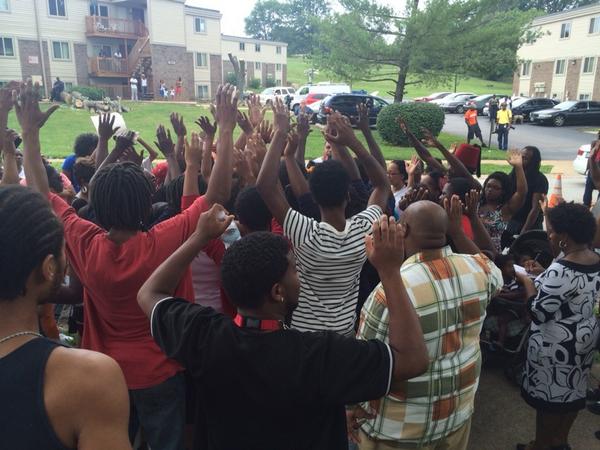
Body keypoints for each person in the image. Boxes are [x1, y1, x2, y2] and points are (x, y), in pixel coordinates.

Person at [17, 81, 237, 450]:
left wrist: (29, 133)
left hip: (105, 373)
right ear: (147, 203)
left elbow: (42, 195)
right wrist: (225, 129)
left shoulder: (85, 242)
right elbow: (217, 195)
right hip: (161, 371)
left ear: (96, 206)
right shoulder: (164, 240)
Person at [138, 209, 429, 450]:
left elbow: (149, 293)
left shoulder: (203, 336)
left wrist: (200, 236)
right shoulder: (320, 356)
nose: (298, 276)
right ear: (277, 292)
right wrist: (390, 271)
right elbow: (413, 359)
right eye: (294, 269)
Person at [353, 197, 502, 449]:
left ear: (404, 229)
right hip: (456, 417)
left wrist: (351, 407)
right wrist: (457, 231)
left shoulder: (389, 292)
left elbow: (364, 361)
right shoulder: (480, 269)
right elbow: (493, 271)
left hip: (399, 432)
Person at [257, 104, 390, 336]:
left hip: (303, 338)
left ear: (314, 197)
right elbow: (382, 185)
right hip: (344, 336)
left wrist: (280, 133)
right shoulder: (363, 231)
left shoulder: (304, 233)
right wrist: (353, 142)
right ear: (348, 196)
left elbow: (265, 187)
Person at [517, 202, 600, 450]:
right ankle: (560, 441)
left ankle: (541, 445)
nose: (549, 236)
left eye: (551, 232)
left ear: (564, 237)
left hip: (555, 349)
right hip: (583, 342)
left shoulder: (562, 269)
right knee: (572, 391)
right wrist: (544, 273)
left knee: (549, 401)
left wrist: (527, 282)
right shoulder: (594, 259)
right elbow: (574, 292)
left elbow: (538, 312)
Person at [478, 149, 527, 251]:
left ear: (503, 191)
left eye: (496, 188)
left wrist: (518, 167)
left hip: (492, 254)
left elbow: (522, 192)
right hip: (471, 250)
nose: (490, 190)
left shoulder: (505, 209)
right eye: (488, 186)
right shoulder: (477, 203)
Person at [507, 146, 548, 236]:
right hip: (513, 222)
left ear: (533, 162)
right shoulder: (513, 175)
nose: (520, 160)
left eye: (525, 158)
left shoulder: (540, 179)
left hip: (531, 225)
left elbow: (535, 209)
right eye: (520, 157)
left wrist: (524, 232)